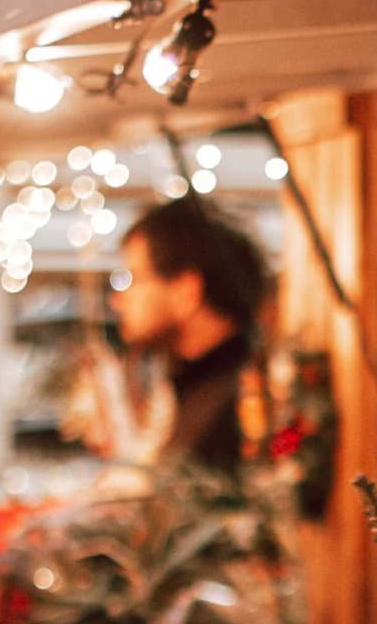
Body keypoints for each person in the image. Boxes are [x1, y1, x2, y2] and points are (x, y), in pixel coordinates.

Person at [108, 195, 268, 480]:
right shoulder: (189, 389)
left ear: (187, 291)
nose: (117, 300)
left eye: (131, 279)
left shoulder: (244, 401)